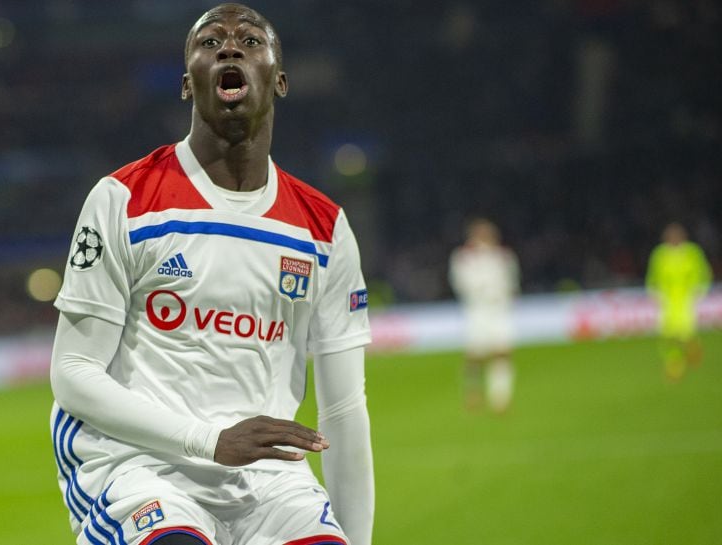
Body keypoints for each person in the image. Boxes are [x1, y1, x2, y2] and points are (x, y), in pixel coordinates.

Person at [49, 4, 375, 545]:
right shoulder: (125, 200)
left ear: (280, 79)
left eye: (250, 41)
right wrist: (209, 439)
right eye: (209, 42)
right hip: (141, 467)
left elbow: (343, 408)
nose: (229, 48)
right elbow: (74, 373)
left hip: (271, 482)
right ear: (186, 84)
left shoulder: (324, 228)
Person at [448, 218, 519, 413]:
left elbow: (512, 283)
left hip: (500, 309)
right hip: (476, 310)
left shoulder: (503, 256)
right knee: (475, 356)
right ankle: (473, 394)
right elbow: (460, 283)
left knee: (502, 353)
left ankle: (500, 398)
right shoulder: (463, 257)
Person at [646, 222, 713, 380]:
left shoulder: (692, 252)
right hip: (668, 302)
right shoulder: (660, 254)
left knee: (685, 334)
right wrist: (654, 291)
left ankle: (692, 349)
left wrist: (700, 290)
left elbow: (703, 272)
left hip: (686, 301)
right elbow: (653, 275)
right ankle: (675, 365)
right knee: (669, 336)